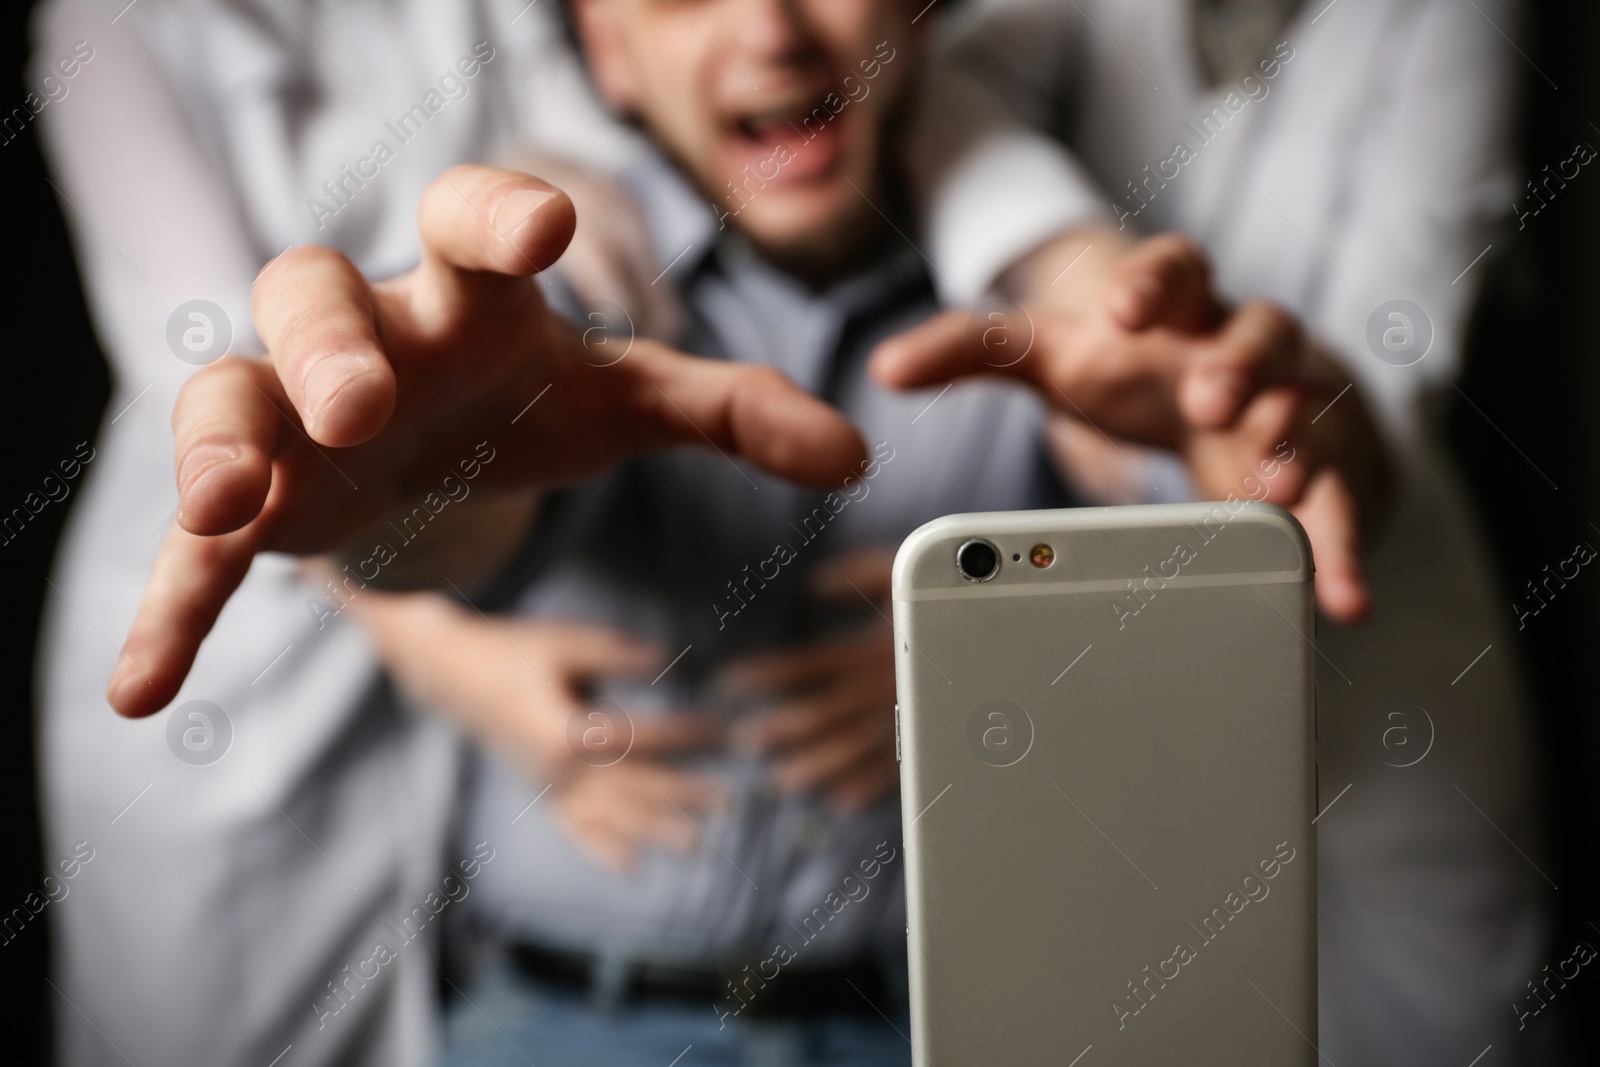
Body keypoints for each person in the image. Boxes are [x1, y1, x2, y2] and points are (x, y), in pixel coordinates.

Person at [35, 2, 1379, 1066]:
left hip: (938, 1028)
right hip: (561, 1027)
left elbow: (1259, 504)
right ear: (608, 57)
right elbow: (474, 528)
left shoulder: (1057, 322)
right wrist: (395, 511)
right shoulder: (566, 330)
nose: (772, 28)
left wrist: (1290, 449)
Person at [892, 0, 1551, 1063]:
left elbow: (1405, 316)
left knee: (1449, 1012)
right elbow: (953, 89)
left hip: (1388, 626)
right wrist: (1088, 275)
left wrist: (1296, 438)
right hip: (1113, 613)